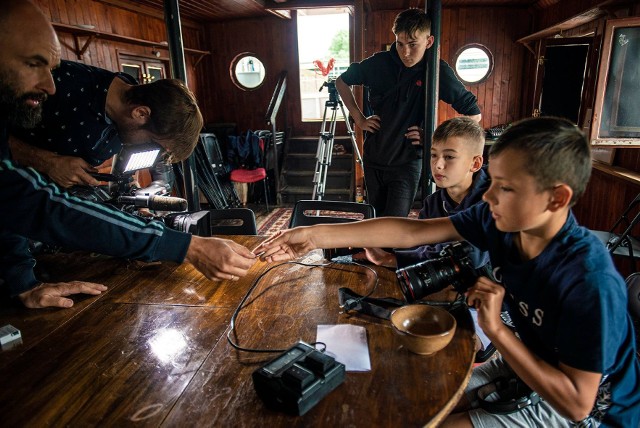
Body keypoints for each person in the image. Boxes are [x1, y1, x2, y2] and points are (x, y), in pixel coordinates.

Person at [256, 117, 640, 427]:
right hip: (530, 356)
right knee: (418, 398)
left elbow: (576, 403)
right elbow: (414, 230)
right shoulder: (501, 220)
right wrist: (312, 234)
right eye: (491, 180)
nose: (487, 195)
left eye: (504, 188)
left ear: (557, 198)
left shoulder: (590, 281)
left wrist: (496, 330)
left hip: (595, 409)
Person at [0, 0, 257, 309]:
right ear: (140, 114)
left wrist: (22, 283)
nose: (50, 87)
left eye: (52, 69)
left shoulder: (117, 111)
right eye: (32, 63)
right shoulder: (68, 93)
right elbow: (44, 205)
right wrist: (188, 247)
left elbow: (13, 202)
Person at [335, 8, 481, 218]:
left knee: (394, 223)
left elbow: (474, 115)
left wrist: (435, 138)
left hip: (407, 162)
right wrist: (359, 118)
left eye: (413, 45)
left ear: (429, 41)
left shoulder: (437, 71)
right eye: (400, 43)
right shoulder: (379, 63)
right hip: (374, 156)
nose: (405, 52)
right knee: (374, 219)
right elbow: (342, 81)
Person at [9, 59, 203, 189]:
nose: (151, 150)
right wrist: (47, 162)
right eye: (155, 143)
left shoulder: (125, 120)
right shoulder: (60, 83)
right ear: (140, 113)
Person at [354, 116, 489, 271]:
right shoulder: (433, 203)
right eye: (433, 155)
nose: (438, 165)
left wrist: (391, 259)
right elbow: (419, 246)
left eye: (449, 157)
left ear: (475, 163)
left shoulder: (492, 201)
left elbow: (471, 257)